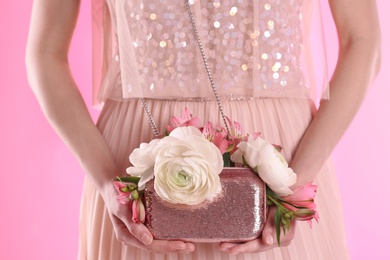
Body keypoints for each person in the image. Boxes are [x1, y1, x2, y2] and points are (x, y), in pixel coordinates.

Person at [26, 0, 381, 259]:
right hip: (133, 169)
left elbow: (362, 41)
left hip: (284, 159)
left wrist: (294, 187)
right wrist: (108, 184)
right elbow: (45, 52)